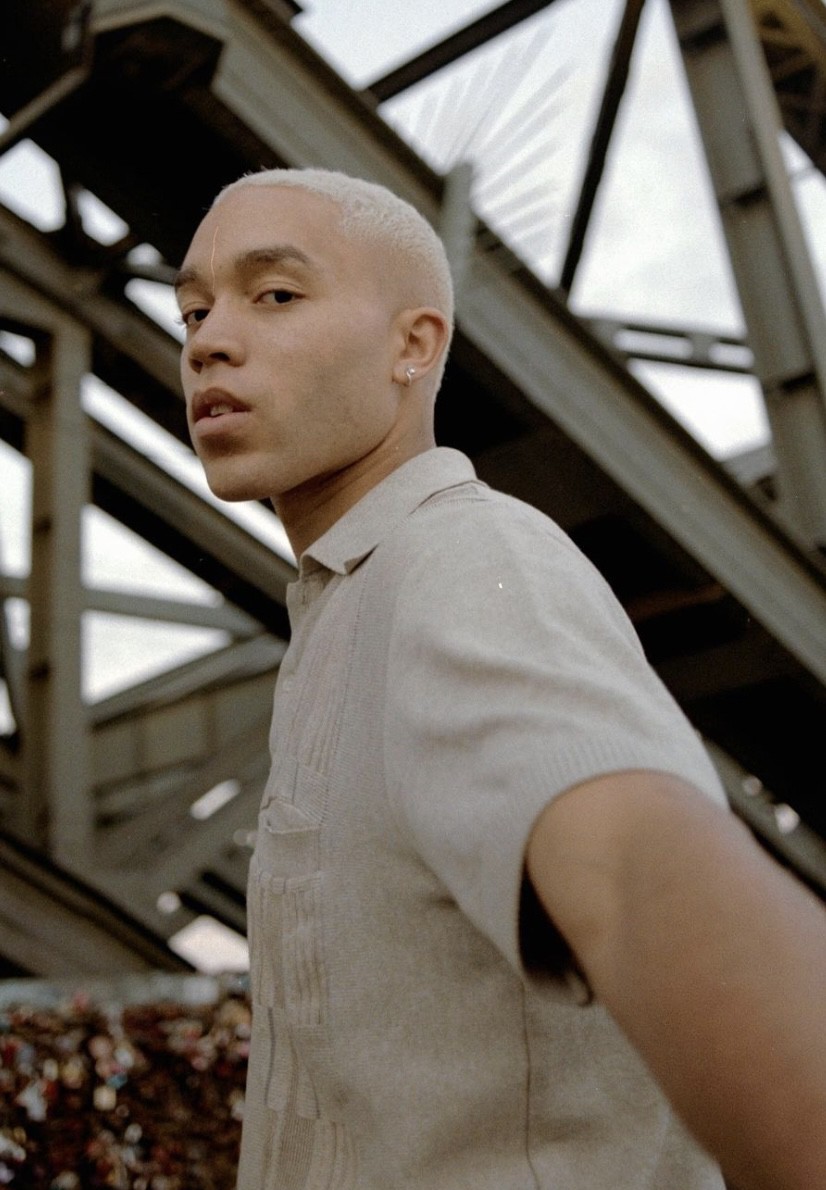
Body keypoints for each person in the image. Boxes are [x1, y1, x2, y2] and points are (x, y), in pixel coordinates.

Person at [175, 167, 826, 1190]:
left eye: (276, 294)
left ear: (413, 344)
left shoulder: (459, 562)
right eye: (193, 308)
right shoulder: (350, 604)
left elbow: (640, 877)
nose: (208, 339)